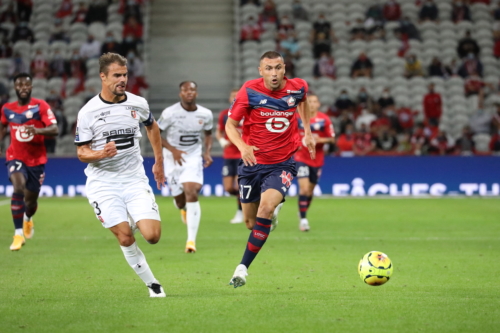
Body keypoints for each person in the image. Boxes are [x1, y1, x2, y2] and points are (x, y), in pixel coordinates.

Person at [74, 53, 166, 297]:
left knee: (153, 236)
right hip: (103, 183)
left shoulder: (138, 103)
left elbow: (152, 126)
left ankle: (133, 217)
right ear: (103, 77)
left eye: (125, 74)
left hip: (134, 179)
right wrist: (101, 154)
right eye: (117, 75)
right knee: (125, 238)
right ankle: (153, 284)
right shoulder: (88, 112)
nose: (123, 79)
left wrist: (159, 161)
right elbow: (82, 152)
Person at [225, 51, 315, 288]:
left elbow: (302, 102)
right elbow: (230, 125)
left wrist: (307, 130)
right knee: (250, 223)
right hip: (252, 164)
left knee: (265, 208)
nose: (273, 73)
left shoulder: (298, 88)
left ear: (284, 68)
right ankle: (271, 213)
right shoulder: (249, 91)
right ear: (260, 70)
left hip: (282, 163)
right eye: (268, 69)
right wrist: (242, 146)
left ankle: (242, 268)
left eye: (277, 68)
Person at [0, 73, 58, 251]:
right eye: (20, 85)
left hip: (36, 160)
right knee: (18, 187)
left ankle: (27, 218)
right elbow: (2, 126)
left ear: (31, 87)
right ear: (14, 88)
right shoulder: (7, 109)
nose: (23, 88)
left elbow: (54, 129)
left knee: (30, 202)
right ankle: (18, 234)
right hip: (15, 156)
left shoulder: (40, 106)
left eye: (27, 85)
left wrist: (38, 131)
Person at [157, 81, 213, 253]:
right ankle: (182, 209)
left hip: (193, 157)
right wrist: (172, 150)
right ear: (180, 93)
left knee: (191, 190)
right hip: (172, 158)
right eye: (185, 90)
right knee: (180, 201)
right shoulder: (170, 113)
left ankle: (191, 241)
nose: (189, 92)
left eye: (192, 90)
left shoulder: (206, 114)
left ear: (196, 93)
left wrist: (207, 152)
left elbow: (208, 133)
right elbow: (155, 133)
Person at [294, 93, 334, 232]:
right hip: (301, 158)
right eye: (309, 101)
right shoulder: (297, 118)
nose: (311, 104)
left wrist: (319, 140)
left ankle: (303, 210)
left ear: (318, 104)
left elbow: (331, 138)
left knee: (309, 192)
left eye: (314, 101)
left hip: (317, 159)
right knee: (304, 189)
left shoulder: (324, 119)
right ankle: (304, 220)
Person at [215, 89, 243, 224]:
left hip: (243, 154)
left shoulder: (247, 112)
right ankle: (249, 199)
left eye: (237, 96)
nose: (235, 98)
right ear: (229, 99)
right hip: (229, 154)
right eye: (233, 96)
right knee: (228, 188)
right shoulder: (224, 115)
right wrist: (221, 140)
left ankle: (240, 212)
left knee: (239, 186)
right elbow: (218, 132)